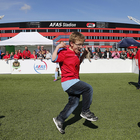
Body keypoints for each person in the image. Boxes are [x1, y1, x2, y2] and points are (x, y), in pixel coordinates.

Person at [52, 32, 98, 134]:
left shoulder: (76, 53)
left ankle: (59, 119)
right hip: (68, 81)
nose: (81, 47)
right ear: (72, 43)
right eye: (79, 44)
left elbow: (78, 62)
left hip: (74, 80)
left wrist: (84, 55)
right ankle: (85, 111)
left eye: (82, 44)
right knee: (88, 88)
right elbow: (53, 59)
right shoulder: (64, 52)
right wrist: (58, 47)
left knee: (74, 103)